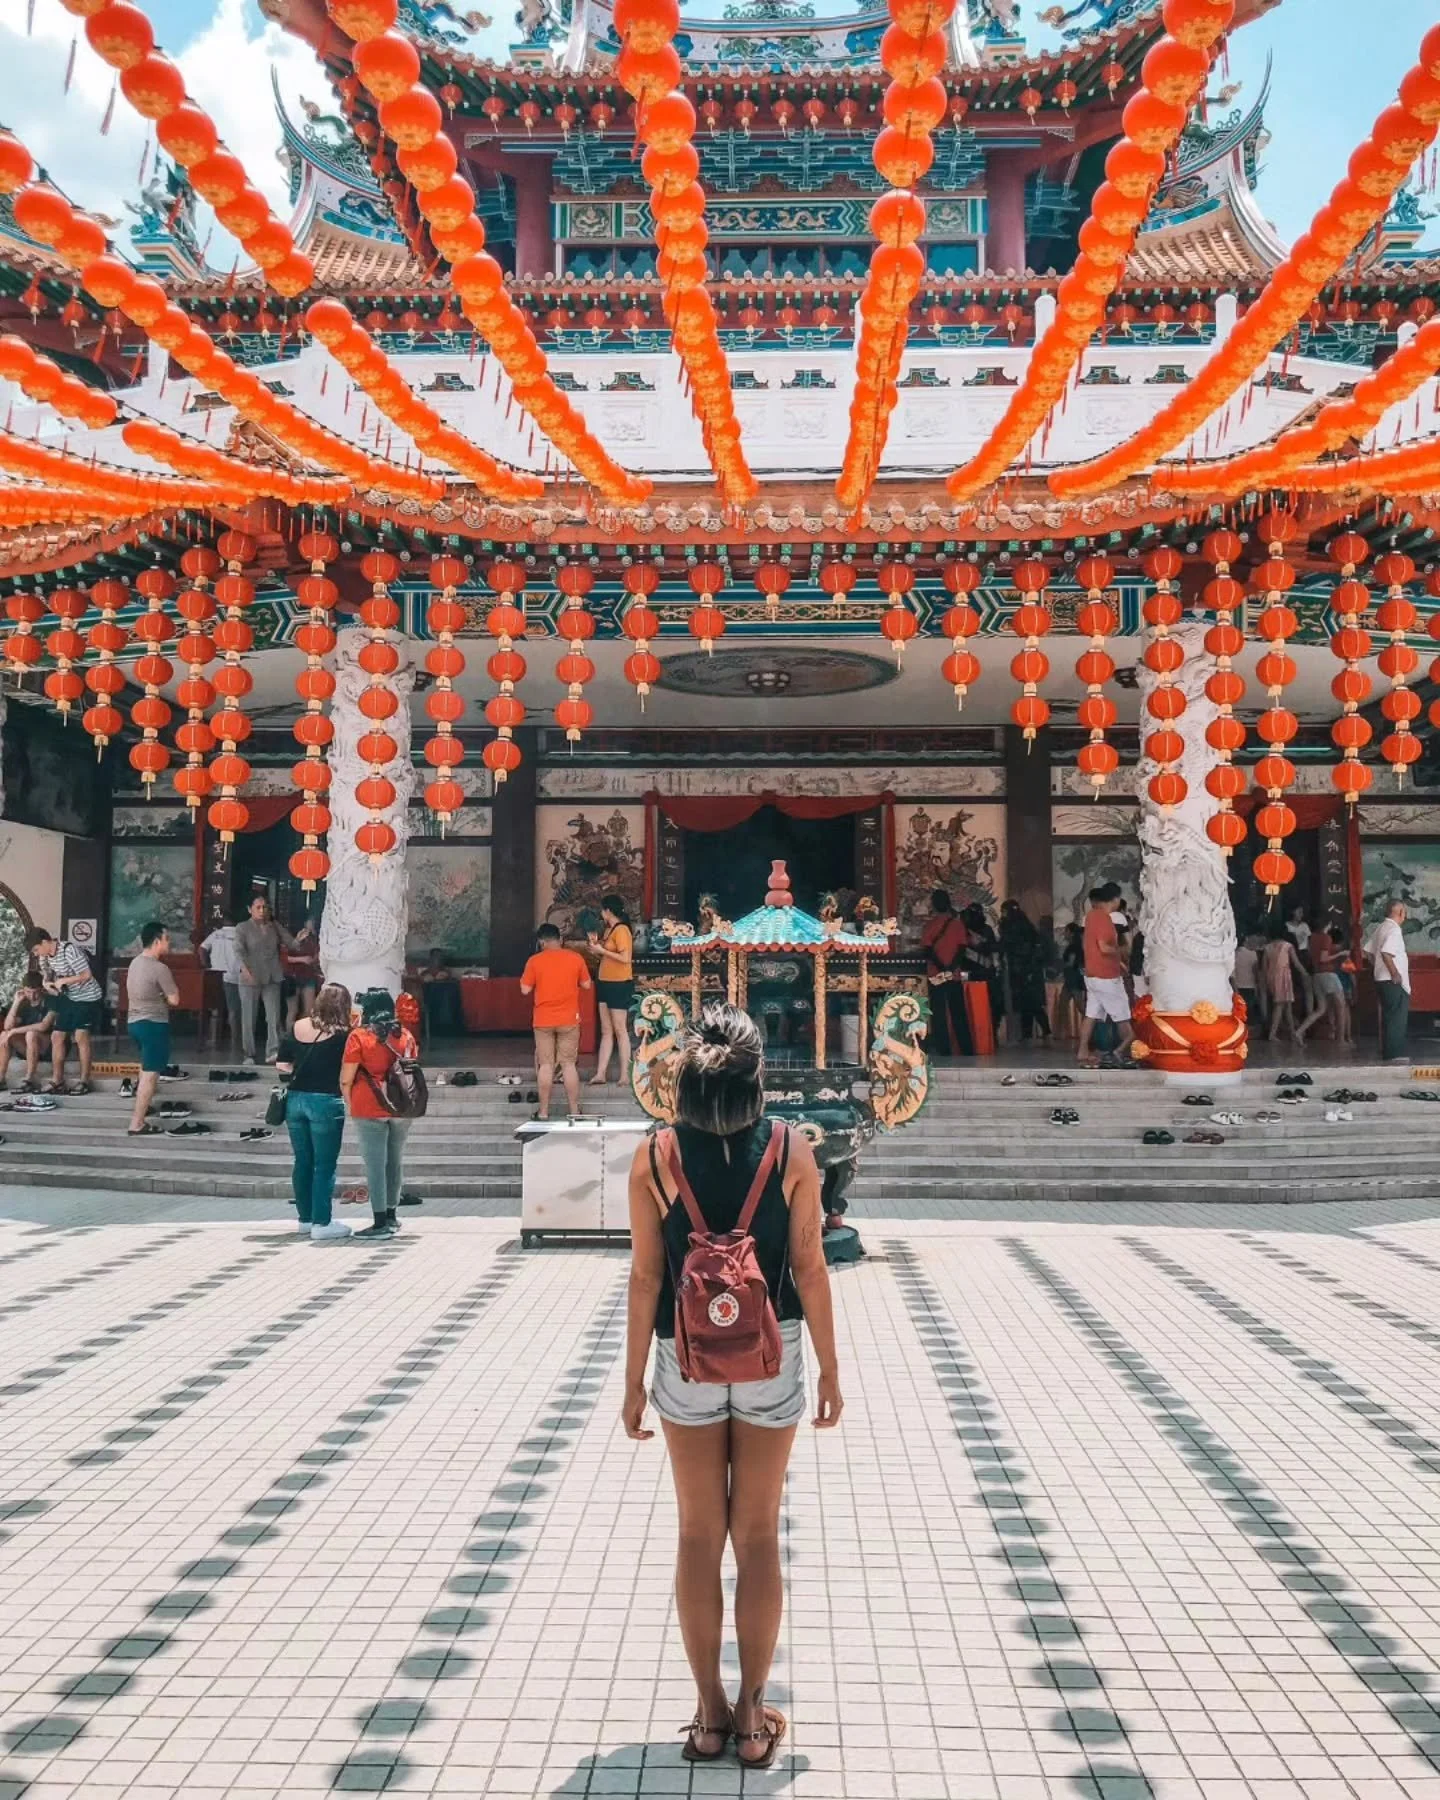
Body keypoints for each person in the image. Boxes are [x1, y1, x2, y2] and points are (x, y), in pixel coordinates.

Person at [623, 1004, 842, 1769]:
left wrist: (629, 1385)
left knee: (695, 1535)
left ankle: (708, 1715)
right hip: (770, 1353)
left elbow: (646, 1276)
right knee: (756, 1537)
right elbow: (810, 1266)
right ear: (759, 1075)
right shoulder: (791, 1150)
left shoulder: (653, 1156)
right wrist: (832, 1370)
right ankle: (753, 1720)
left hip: (682, 1357)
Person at [341, 988, 420, 1238]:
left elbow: (346, 1078)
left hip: (369, 1105)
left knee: (375, 1164)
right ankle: (393, 1215)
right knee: (394, 1161)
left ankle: (379, 1222)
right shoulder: (405, 1035)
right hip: (401, 1105)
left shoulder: (359, 1036)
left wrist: (350, 1102)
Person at [278, 982, 353, 1243]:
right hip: (326, 1101)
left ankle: (305, 1219)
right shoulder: (345, 1034)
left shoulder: (298, 1026)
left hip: (295, 1100)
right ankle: (322, 1222)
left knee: (302, 1161)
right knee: (324, 1164)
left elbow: (282, 1064)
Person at [521, 924, 593, 1119]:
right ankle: (574, 1111)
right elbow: (587, 985)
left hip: (543, 1020)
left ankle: (543, 1112)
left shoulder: (534, 961)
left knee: (546, 1065)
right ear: (560, 939)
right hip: (569, 1018)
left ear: (541, 942)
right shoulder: (575, 958)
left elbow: (525, 990)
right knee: (569, 1064)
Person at [29, 925, 102, 1095]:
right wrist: (48, 983)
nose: (36, 953)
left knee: (80, 1035)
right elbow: (47, 974)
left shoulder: (69, 950)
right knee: (57, 1036)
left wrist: (65, 981)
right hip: (69, 997)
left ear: (45, 941)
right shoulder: (45, 957)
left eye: (36, 949)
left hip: (88, 997)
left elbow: (86, 975)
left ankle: (84, 1080)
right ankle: (57, 1080)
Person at [235, 896, 307, 1066]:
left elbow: (291, 944)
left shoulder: (274, 926)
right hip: (250, 977)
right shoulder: (242, 928)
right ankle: (248, 1054)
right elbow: (238, 951)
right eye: (258, 907)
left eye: (265, 907)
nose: (262, 910)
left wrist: (299, 939)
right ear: (249, 909)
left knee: (273, 1016)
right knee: (248, 1017)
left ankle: (273, 1051)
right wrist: (246, 970)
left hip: (272, 976)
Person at [124, 921, 180, 1135]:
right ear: (157, 941)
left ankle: (144, 1106)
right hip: (153, 1024)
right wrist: (162, 998)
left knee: (145, 1066)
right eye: (167, 939)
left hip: (134, 1022)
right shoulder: (160, 968)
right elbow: (175, 999)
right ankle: (137, 1123)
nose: (169, 942)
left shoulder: (134, 963)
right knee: (150, 1074)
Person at [1076, 885, 1133, 1066]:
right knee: (1123, 1017)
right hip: (1106, 976)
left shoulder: (1091, 916)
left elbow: (1089, 946)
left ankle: (1082, 1051)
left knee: (1091, 1014)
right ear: (1115, 900)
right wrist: (1120, 951)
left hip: (1092, 974)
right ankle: (1122, 1051)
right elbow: (1103, 947)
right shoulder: (1103, 918)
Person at [919, 891, 973, 1057]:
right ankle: (966, 1048)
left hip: (935, 975)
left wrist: (941, 967)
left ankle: (944, 1049)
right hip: (953, 974)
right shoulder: (957, 925)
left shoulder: (929, 926)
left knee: (939, 1012)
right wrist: (951, 967)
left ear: (934, 905)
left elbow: (927, 951)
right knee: (958, 1012)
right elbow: (962, 949)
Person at [588, 895, 635, 1087]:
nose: (601, 914)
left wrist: (602, 951)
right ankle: (601, 1073)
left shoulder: (622, 930)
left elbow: (625, 958)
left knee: (620, 1029)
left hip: (619, 983)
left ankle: (625, 1074)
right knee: (606, 1030)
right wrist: (595, 948)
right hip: (605, 982)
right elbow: (607, 955)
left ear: (608, 910)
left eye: (602, 910)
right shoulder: (609, 930)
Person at [999, 899, 1052, 1044]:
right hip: (1028, 970)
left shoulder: (1013, 927)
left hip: (1024, 970)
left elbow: (1013, 947)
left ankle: (1040, 1032)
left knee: (1030, 1003)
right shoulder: (1026, 926)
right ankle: (1030, 1033)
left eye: (1003, 911)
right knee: (1028, 1003)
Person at [1296, 914, 1351, 1048]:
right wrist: (1340, 954)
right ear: (1327, 925)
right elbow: (1323, 958)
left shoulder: (1312, 938)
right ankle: (1341, 1040)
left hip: (1317, 975)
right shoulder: (1326, 938)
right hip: (1328, 974)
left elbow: (1313, 955)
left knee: (1321, 1008)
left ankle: (1299, 1031)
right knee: (1341, 1006)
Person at [1367, 899, 1410, 1062]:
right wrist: (1394, 973)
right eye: (1404, 912)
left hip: (1380, 979)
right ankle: (1394, 1054)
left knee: (1388, 1016)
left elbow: (1369, 952)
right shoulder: (1394, 930)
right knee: (1396, 1017)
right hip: (1392, 981)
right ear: (1400, 913)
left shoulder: (1381, 927)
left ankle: (1388, 1052)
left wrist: (1378, 967)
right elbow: (1386, 953)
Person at [0, 976, 54, 1092]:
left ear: (42, 990)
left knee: (31, 1034)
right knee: (4, 1035)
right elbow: (7, 1026)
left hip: (48, 1047)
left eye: (35, 992)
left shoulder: (50, 1001)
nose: (32, 996)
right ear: (23, 990)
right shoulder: (23, 1003)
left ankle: (29, 1079)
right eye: (28, 992)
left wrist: (15, 1031)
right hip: (29, 1047)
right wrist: (16, 1002)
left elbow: (43, 1026)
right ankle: (1, 1078)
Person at [201, 919, 243, 1056]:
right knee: (233, 1011)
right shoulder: (240, 934)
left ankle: (214, 1040)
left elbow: (201, 949)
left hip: (214, 975)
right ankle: (235, 1040)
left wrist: (205, 965)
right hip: (233, 976)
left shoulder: (216, 934)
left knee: (215, 1009)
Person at [1262, 919, 1306, 1043]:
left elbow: (1264, 967)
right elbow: (1296, 963)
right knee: (1280, 1005)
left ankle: (1292, 1032)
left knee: (1287, 1005)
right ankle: (1272, 1034)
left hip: (1271, 977)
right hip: (1284, 977)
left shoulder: (1267, 947)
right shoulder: (1287, 946)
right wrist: (1305, 974)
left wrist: (1265, 981)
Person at [418, 948, 462, 1038]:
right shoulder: (425, 973)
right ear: (431, 959)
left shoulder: (447, 973)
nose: (437, 959)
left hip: (445, 1002)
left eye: (439, 957)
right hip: (429, 1000)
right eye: (435, 957)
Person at [1056, 921, 1085, 1041]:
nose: (1064, 933)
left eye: (1066, 931)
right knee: (1064, 1004)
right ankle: (1061, 1032)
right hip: (1072, 978)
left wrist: (1060, 966)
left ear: (1071, 933)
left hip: (1072, 978)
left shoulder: (1073, 947)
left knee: (1079, 1005)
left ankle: (1090, 1029)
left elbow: (1071, 962)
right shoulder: (1078, 945)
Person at [1231, 932, 1261, 1024]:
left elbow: (1232, 974)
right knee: (1248, 1012)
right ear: (1247, 940)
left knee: (1239, 1012)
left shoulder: (1235, 953)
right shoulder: (1253, 954)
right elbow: (1256, 973)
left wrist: (1235, 988)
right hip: (1250, 987)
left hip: (1238, 987)